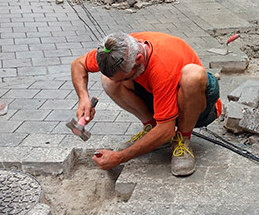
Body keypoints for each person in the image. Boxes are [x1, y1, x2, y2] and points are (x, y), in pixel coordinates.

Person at [70, 32, 222, 177]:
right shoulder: (117, 49)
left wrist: (120, 157)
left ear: (138, 60)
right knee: (108, 81)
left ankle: (183, 139)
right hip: (160, 96)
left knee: (193, 75)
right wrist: (83, 97)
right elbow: (78, 64)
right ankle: (151, 127)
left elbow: (167, 130)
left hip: (198, 108)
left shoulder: (162, 66)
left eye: (125, 78)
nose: (122, 83)